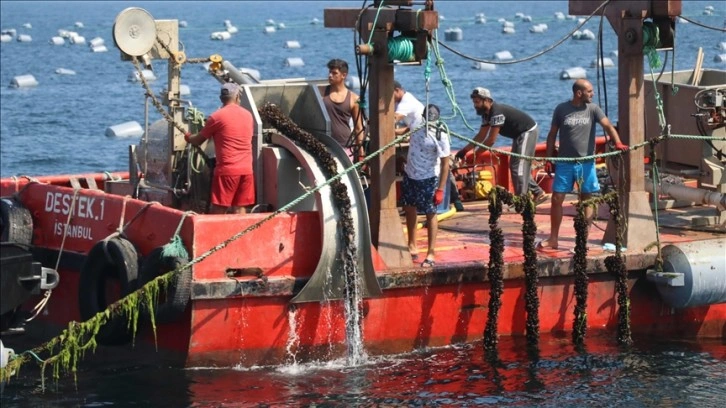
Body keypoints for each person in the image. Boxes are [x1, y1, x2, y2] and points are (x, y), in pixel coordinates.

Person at [538, 79, 629, 250]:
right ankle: (553, 238)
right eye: (589, 91)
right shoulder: (561, 109)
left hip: (586, 164)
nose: (592, 94)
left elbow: (608, 126)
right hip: (565, 163)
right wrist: (549, 159)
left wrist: (617, 143)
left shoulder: (593, 109)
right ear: (579, 93)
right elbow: (552, 135)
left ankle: (583, 241)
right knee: (557, 199)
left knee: (586, 200)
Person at [455, 87, 549, 203]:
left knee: (518, 167)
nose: (475, 105)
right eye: (474, 102)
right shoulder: (486, 115)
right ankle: (538, 193)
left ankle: (522, 200)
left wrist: (475, 155)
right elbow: (481, 136)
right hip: (518, 135)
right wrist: (464, 151)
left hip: (527, 132)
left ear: (487, 101)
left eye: (477, 102)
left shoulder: (496, 113)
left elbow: (491, 140)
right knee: (517, 166)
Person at [395, 85, 450, 267]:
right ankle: (412, 244)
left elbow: (445, 163)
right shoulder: (418, 122)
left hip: (429, 178)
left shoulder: (441, 133)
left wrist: (440, 189)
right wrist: (394, 132)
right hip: (411, 174)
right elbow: (408, 129)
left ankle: (431, 252)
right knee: (409, 208)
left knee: (430, 213)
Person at [185, 82, 255, 214]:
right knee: (240, 208)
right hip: (246, 170)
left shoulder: (216, 117)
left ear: (221, 98)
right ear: (237, 96)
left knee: (219, 208)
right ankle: (240, 234)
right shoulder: (248, 115)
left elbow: (198, 140)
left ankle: (215, 235)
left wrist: (188, 137)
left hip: (227, 171)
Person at [322, 59, 365, 161]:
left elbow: (358, 128)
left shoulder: (354, 99)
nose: (330, 75)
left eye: (334, 73)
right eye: (329, 72)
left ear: (344, 75)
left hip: (345, 146)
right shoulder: (321, 93)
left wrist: (361, 152)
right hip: (324, 145)